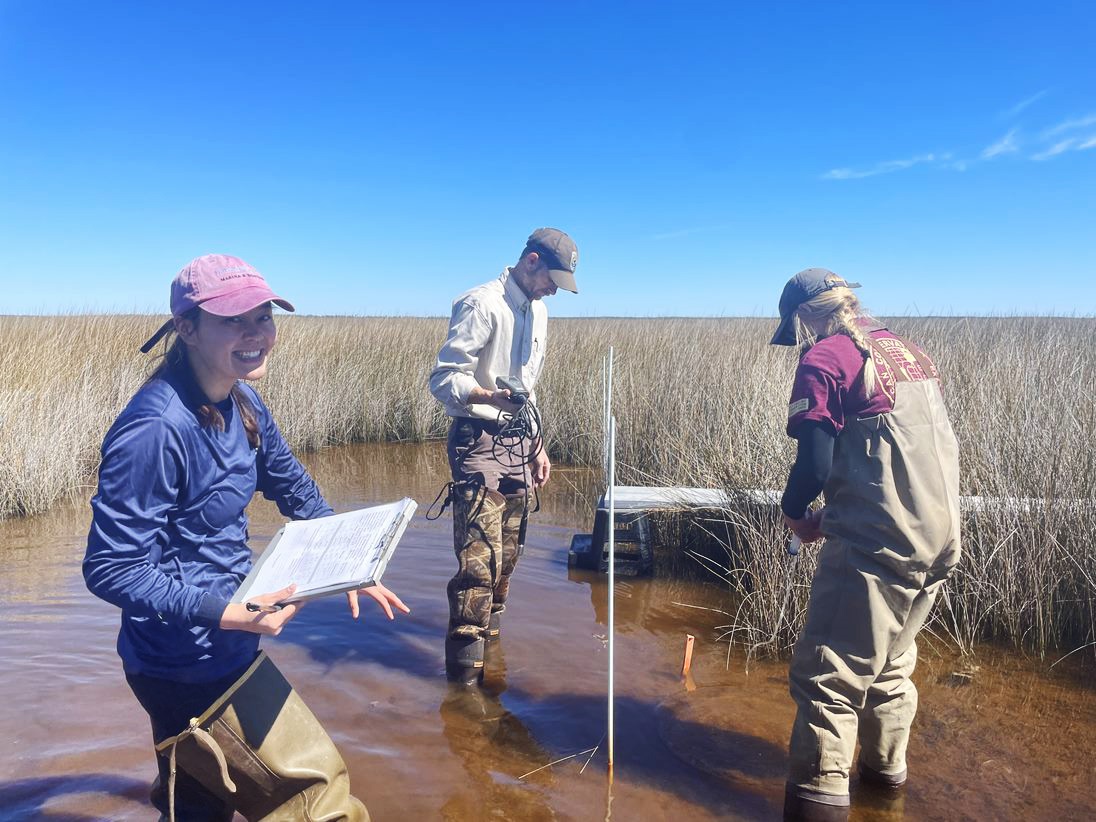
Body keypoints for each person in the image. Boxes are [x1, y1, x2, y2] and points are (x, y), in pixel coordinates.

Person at [84, 254, 409, 821]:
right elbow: (111, 568)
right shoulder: (155, 428)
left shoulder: (243, 399)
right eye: (235, 320)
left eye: (264, 317)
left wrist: (353, 560)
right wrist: (234, 613)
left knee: (198, 807)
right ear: (186, 328)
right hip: (185, 662)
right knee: (319, 797)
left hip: (227, 644)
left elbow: (297, 491)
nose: (257, 334)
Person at [771, 269, 961, 821]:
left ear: (805, 317)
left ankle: (817, 803)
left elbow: (814, 463)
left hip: (878, 548)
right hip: (938, 541)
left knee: (828, 679)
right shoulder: (906, 351)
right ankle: (885, 794)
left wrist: (795, 514)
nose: (800, 338)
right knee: (890, 669)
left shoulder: (826, 357)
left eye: (797, 326)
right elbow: (900, 458)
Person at [429, 227, 578, 684]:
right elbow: (443, 379)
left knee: (508, 556)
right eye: (551, 278)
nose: (553, 288)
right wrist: (487, 396)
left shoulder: (542, 314)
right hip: (477, 438)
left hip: (519, 441)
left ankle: (489, 665)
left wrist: (537, 446)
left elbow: (528, 389)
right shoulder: (480, 303)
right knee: (479, 560)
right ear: (530, 261)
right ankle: (463, 693)